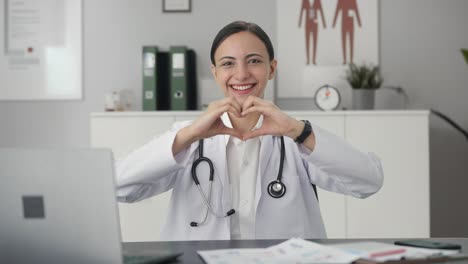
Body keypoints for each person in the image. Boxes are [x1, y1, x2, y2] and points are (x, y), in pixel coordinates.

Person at [116, 21, 383, 241]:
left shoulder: (296, 136)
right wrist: (188, 136)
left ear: (272, 69)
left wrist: (297, 131)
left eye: (253, 61)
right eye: (228, 63)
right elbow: (118, 187)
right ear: (216, 72)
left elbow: (368, 181)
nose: (241, 74)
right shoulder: (187, 138)